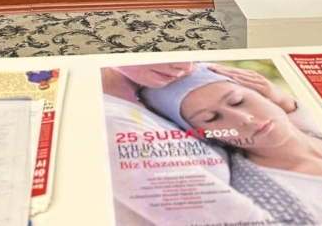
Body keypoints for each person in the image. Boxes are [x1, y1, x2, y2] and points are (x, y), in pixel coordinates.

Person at [141, 66, 322, 225]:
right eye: (211, 118)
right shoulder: (258, 201)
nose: (244, 119)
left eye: (238, 101)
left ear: (264, 92)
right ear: (205, 135)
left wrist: (286, 102)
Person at [101, 62, 278, 225]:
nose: (186, 67)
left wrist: (285, 105)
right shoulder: (111, 122)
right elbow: (224, 217)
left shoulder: (159, 88)